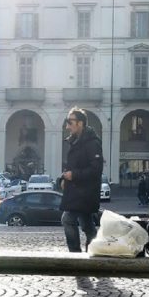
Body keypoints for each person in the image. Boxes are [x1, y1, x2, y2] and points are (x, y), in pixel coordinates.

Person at [58, 108, 103, 252]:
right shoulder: (75, 141)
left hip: (85, 192)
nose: (67, 126)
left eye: (70, 122)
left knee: (68, 219)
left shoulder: (92, 143)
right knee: (87, 225)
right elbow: (72, 167)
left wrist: (74, 175)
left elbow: (96, 170)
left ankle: (75, 254)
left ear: (80, 123)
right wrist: (63, 179)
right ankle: (94, 252)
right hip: (77, 191)